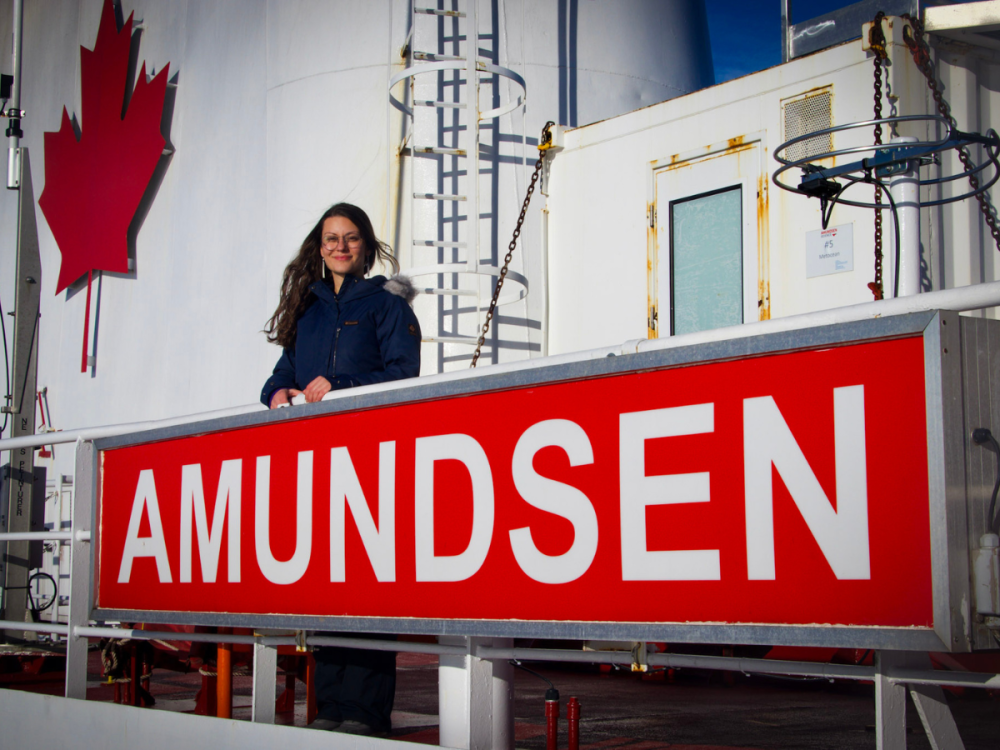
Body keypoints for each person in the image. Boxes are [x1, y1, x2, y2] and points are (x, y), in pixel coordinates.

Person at [261, 202, 421, 735]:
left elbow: (404, 375)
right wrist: (277, 392)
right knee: (329, 585)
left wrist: (344, 387)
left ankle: (366, 713)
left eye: (350, 238)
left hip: (373, 460)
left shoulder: (386, 305)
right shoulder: (307, 307)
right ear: (319, 246)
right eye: (331, 239)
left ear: (366, 245)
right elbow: (284, 371)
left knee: (369, 586)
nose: (340, 247)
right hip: (320, 463)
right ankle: (330, 706)